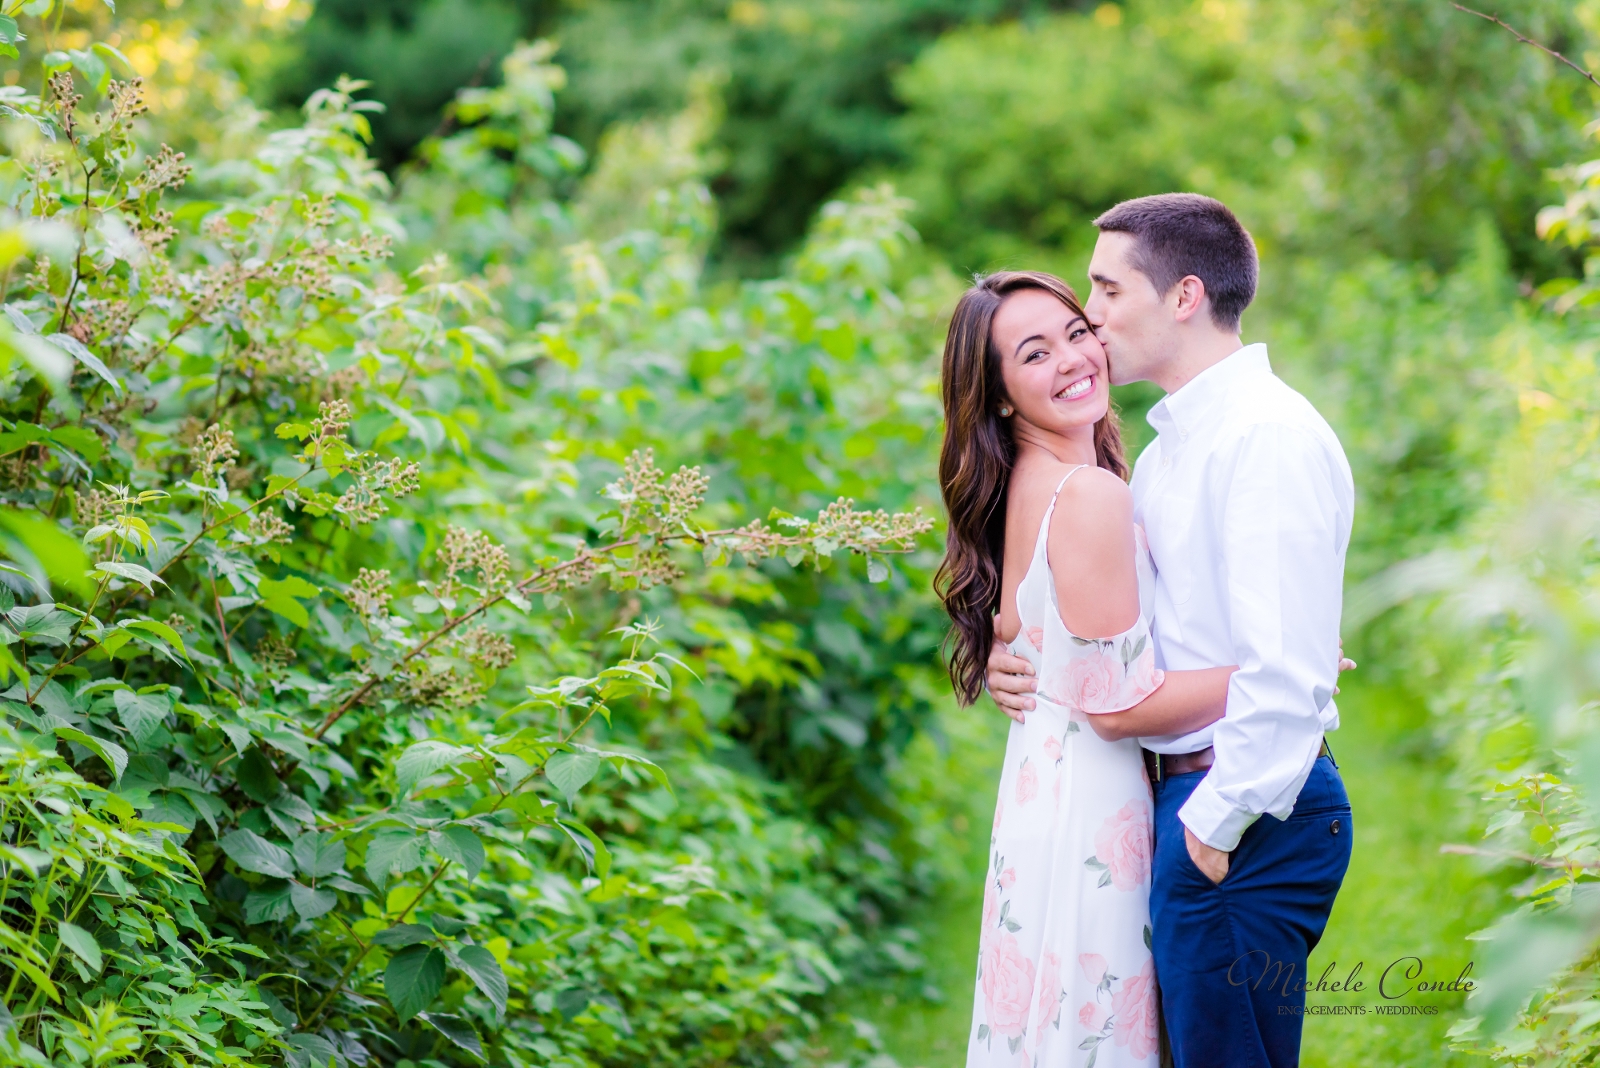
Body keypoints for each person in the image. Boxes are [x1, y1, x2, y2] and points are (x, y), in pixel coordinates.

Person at [983, 194, 1355, 1068]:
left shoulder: (1263, 440)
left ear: (1183, 297)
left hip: (1242, 807)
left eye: (1107, 293)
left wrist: (1211, 830)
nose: (1093, 317)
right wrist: (1022, 655)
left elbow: (1279, 677)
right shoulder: (1164, 452)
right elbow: (1123, 634)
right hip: (1184, 796)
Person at [939, 268, 1254, 1067]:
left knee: (1056, 1024)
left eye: (1078, 332)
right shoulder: (1088, 495)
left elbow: (1045, 642)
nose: (1075, 359)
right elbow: (1117, 704)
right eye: (1035, 353)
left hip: (1046, 793)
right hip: (1091, 806)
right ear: (1002, 394)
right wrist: (1278, 667)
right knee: (1095, 1026)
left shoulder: (1035, 485)